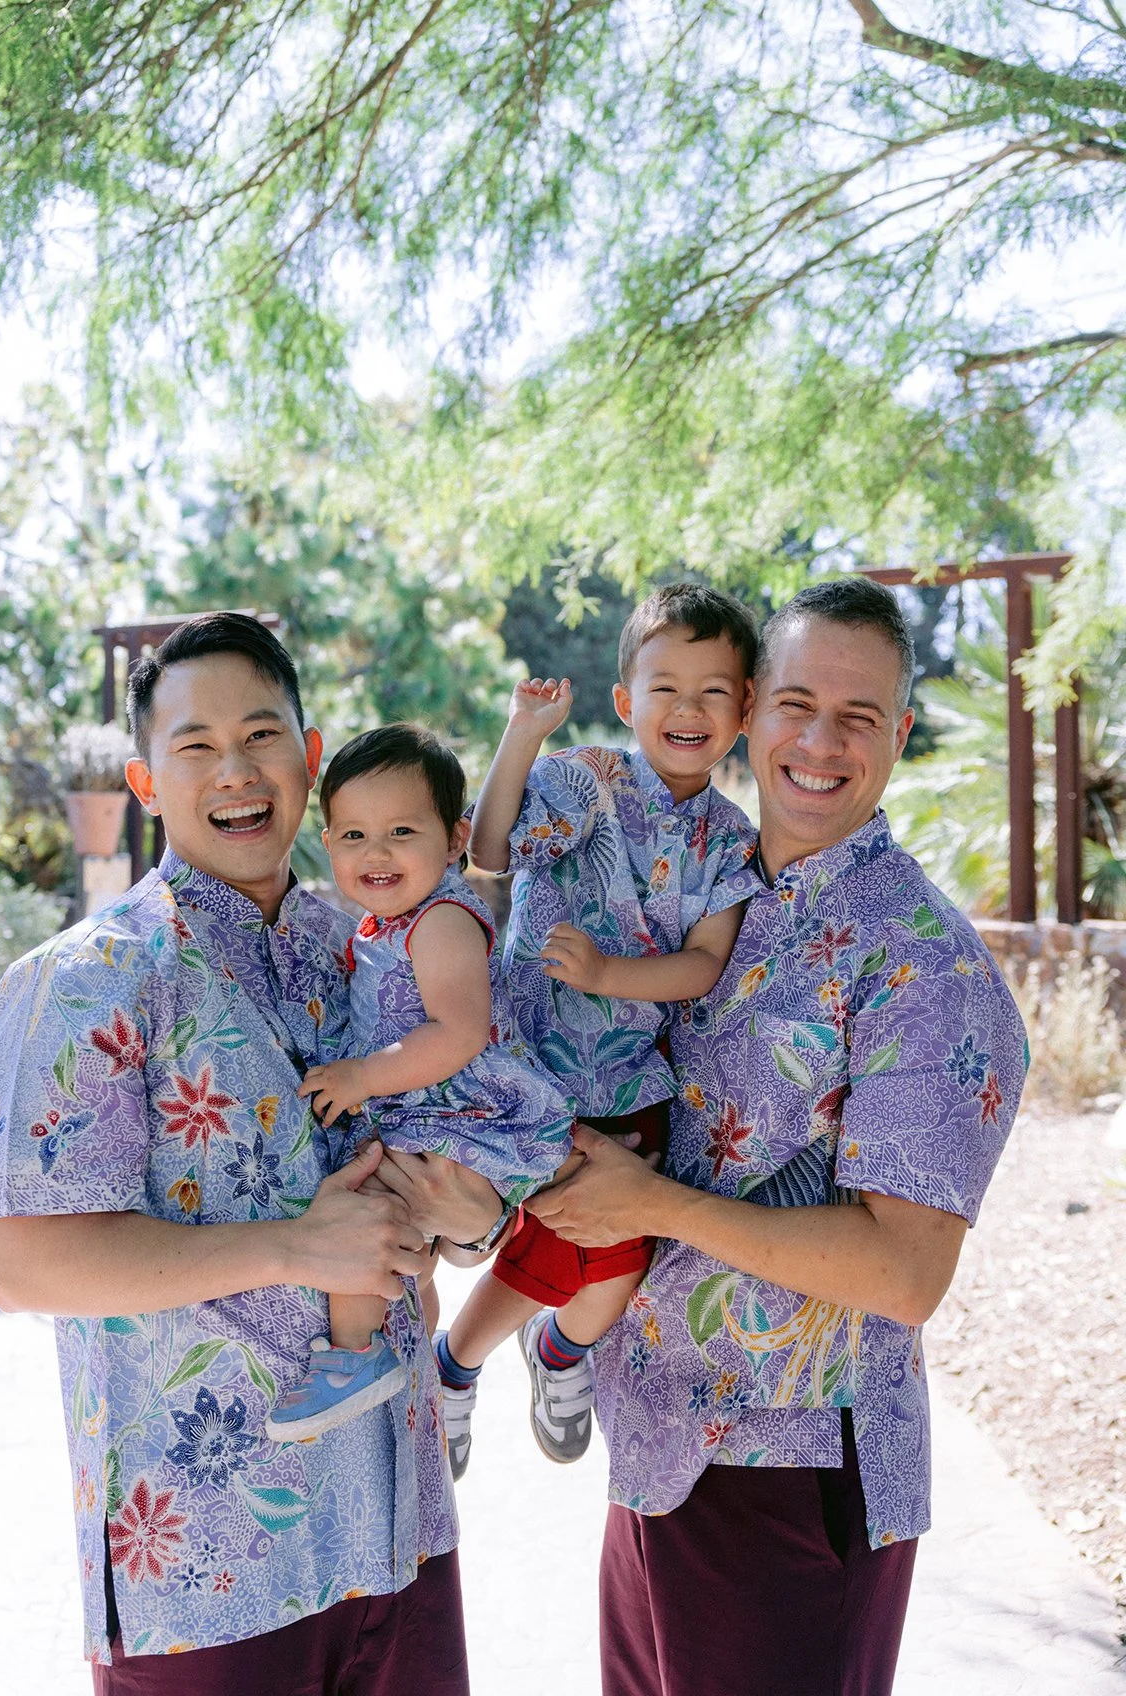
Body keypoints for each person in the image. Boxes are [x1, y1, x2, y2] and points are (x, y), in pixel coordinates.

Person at [0, 613, 505, 1693]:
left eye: (262, 736)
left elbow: (442, 1157)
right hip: (208, 1578)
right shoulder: (84, 979)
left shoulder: (370, 946)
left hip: (396, 1533)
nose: (236, 771)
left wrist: (471, 1215)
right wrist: (290, 1249)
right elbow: (24, 1262)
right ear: (144, 781)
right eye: (196, 746)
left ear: (310, 761)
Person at [527, 578, 1029, 1696]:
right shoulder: (693, 898)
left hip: (793, 1472)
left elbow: (903, 1273)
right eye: (794, 703)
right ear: (748, 713)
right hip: (656, 1449)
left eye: (857, 717)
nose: (817, 741)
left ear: (898, 736)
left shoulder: (927, 969)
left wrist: (648, 1206)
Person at [436, 584, 763, 1475]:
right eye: (665, 688)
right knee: (556, 1236)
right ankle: (455, 1366)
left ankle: (554, 1353)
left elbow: (703, 963)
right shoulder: (588, 782)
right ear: (627, 701)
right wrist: (524, 737)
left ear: (744, 712)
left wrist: (613, 975)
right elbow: (490, 850)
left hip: (629, 1079)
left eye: (712, 692)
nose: (687, 709)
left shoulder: (732, 840)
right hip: (532, 1067)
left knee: (622, 1264)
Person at [266, 723, 571, 1439]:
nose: (376, 853)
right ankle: (416, 1346)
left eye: (402, 830)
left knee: (361, 1208)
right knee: (406, 1243)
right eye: (352, 836)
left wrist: (363, 1077)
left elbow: (458, 1032)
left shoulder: (440, 920)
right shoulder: (380, 925)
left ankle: (353, 1356)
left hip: (461, 1114)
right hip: (426, 1108)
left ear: (457, 836)